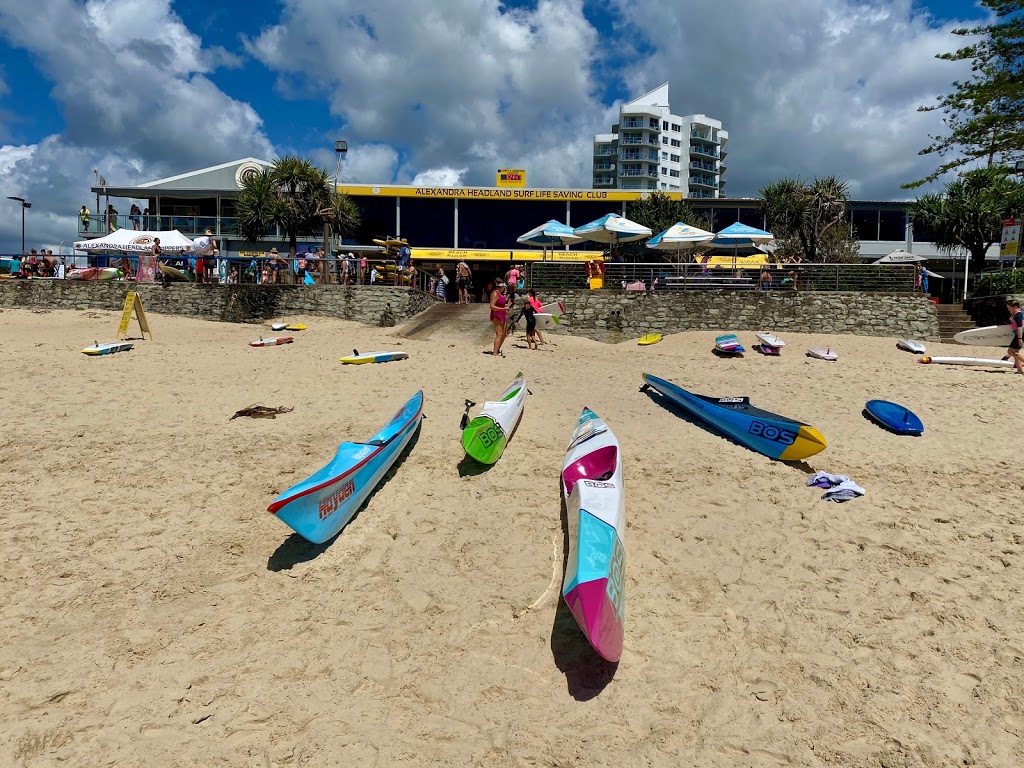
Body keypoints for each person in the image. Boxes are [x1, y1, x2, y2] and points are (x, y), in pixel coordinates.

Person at [489, 278, 508, 357]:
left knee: (504, 334)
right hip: (496, 315)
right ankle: (495, 353)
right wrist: (504, 308)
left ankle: (498, 349)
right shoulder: (495, 293)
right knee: (499, 334)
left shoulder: (500, 294)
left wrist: (505, 307)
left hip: (502, 314)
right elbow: (492, 306)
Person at [1007, 299, 1024, 376]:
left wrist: (1019, 339)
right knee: (1016, 352)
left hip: (1021, 334)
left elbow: (1019, 327)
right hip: (1019, 334)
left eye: (1009, 308)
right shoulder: (1015, 314)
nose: (1008, 309)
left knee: (1010, 351)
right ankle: (1020, 370)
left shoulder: (1018, 314)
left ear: (1015, 307)